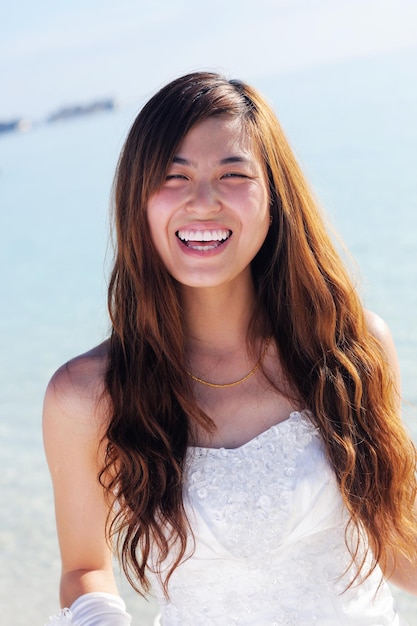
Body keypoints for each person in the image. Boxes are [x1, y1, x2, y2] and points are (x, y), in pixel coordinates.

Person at [44, 72, 417, 625]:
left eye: (233, 173)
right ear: (136, 201)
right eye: (174, 176)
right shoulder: (85, 395)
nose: (203, 201)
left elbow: (395, 537)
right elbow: (84, 570)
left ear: (274, 197)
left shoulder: (350, 347)